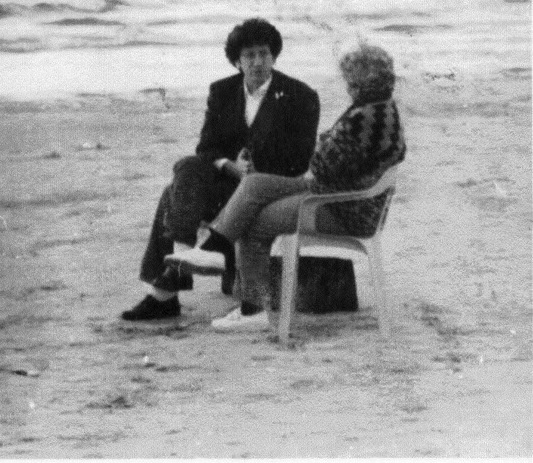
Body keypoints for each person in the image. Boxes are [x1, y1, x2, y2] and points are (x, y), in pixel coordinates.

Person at [168, 42, 406, 331]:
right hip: (338, 195)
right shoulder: (380, 109)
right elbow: (330, 160)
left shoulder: (365, 117)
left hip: (343, 207)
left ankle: (252, 310)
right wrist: (327, 143)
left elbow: (321, 165)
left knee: (256, 221)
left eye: (350, 80)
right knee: (254, 184)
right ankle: (215, 247)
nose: (347, 86)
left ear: (360, 82)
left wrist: (325, 143)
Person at [119, 18, 321, 322]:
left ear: (274, 56)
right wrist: (231, 166)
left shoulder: (301, 96)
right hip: (228, 184)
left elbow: (300, 160)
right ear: (237, 61)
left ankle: (164, 293)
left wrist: (256, 169)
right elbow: (207, 148)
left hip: (269, 192)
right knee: (186, 168)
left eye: (264, 54)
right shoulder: (222, 91)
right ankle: (183, 256)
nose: (257, 63)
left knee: (171, 193)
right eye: (249, 56)